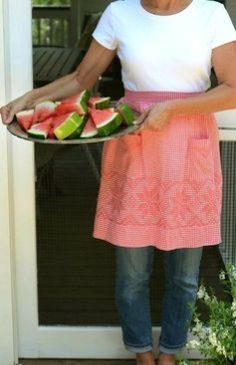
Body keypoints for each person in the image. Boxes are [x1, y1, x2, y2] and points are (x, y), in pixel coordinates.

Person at [1, 0, 236, 364]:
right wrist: (29, 99)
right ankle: (142, 353)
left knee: (185, 276)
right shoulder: (118, 14)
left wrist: (172, 109)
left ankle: (170, 353)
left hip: (189, 146)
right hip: (135, 144)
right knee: (132, 274)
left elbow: (233, 88)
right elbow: (81, 79)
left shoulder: (211, 14)